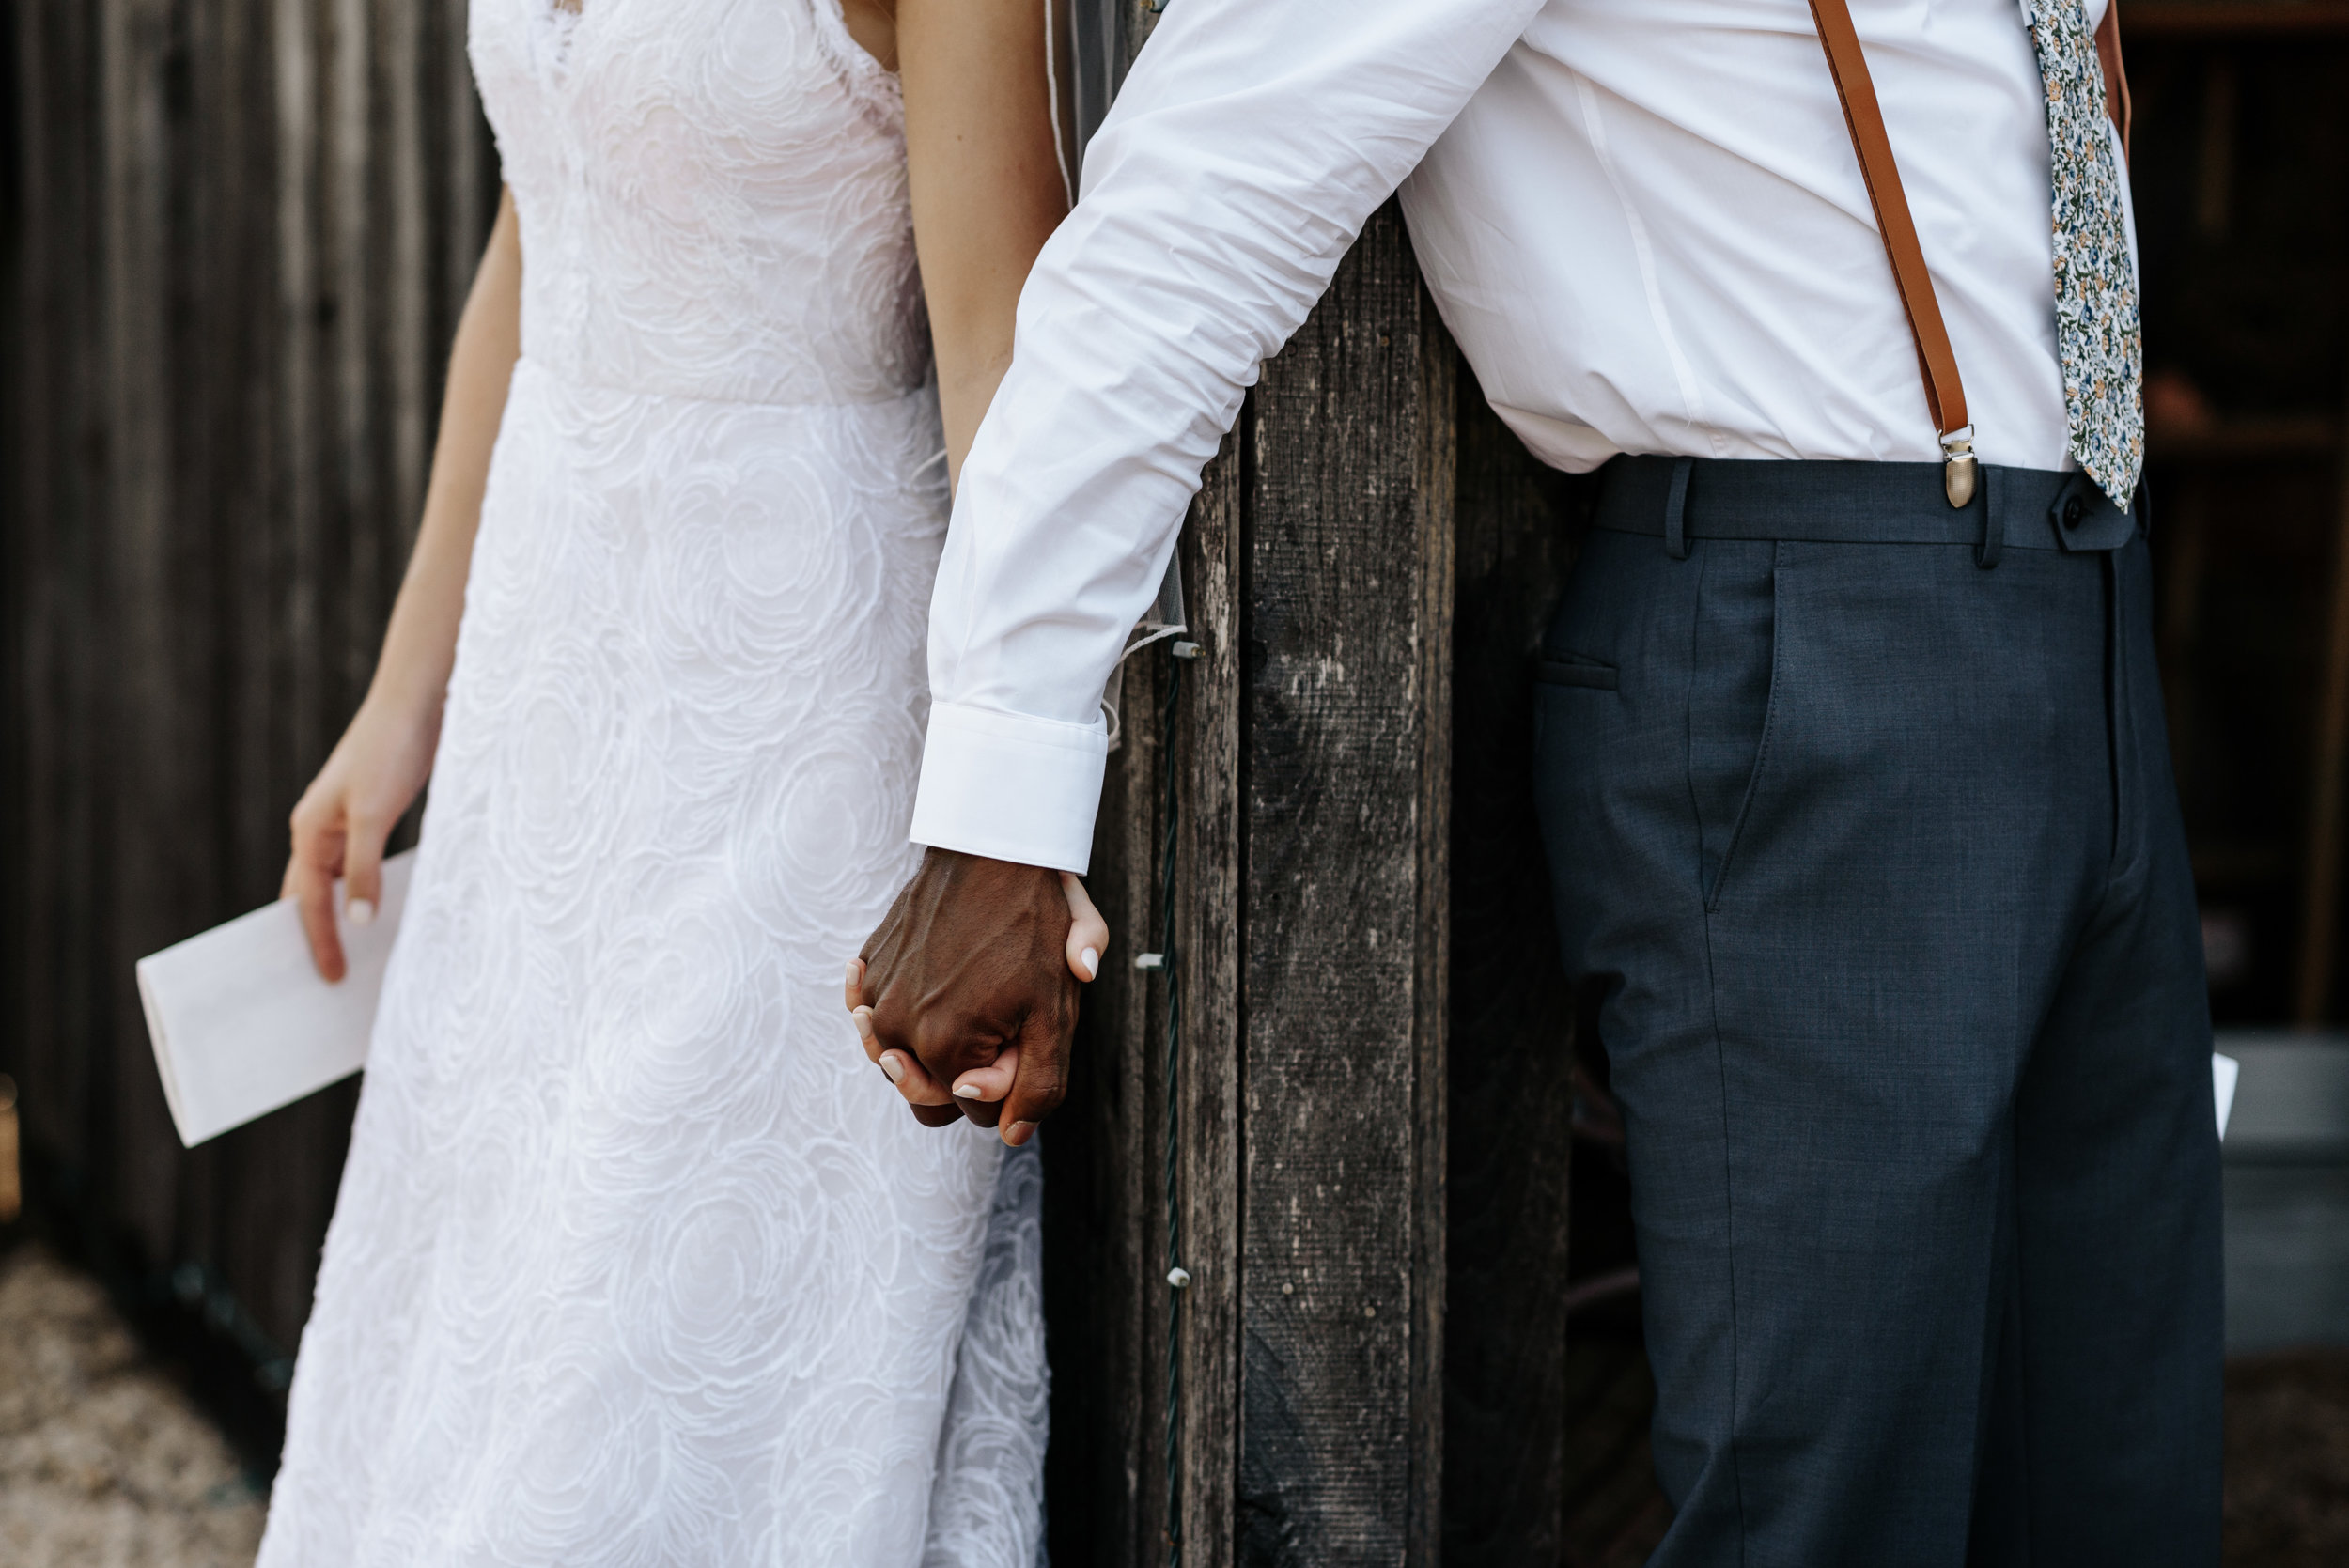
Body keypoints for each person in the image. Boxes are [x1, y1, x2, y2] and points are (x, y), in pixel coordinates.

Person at [849, 0, 2223, 1560]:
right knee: (1831, 1506)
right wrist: (999, 792)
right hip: (1816, 645)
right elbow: (1196, 213)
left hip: (2078, 616)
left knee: (2118, 1477)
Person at [260, 0, 1088, 1560]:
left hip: (797, 724)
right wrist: (401, 701)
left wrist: (1005, 809)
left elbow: (1001, 361)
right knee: (489, 1326)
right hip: (548, 718)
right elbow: (542, 232)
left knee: (649, 1355)